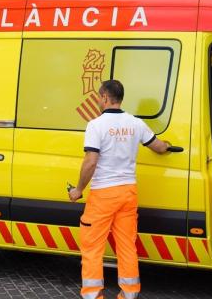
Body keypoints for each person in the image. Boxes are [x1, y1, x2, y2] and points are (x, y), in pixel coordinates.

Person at [69, 79, 170, 299]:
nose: (98, 100)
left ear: (105, 97)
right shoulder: (135, 123)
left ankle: (93, 295)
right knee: (126, 245)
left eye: (98, 97)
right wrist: (168, 146)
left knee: (92, 246)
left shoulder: (96, 125)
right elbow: (159, 146)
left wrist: (78, 190)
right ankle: (129, 293)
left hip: (104, 194)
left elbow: (91, 161)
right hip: (128, 192)